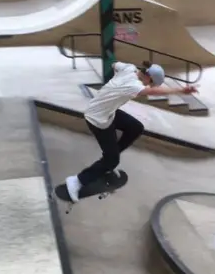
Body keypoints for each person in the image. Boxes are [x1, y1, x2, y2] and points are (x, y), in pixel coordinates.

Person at [64, 60, 198, 202]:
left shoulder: (129, 68)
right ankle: (77, 181)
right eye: (149, 83)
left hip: (106, 111)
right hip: (98, 120)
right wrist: (180, 90)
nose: (148, 86)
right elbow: (154, 91)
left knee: (135, 127)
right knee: (112, 160)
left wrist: (115, 82)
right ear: (148, 77)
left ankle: (107, 161)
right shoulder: (134, 85)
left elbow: (114, 64)